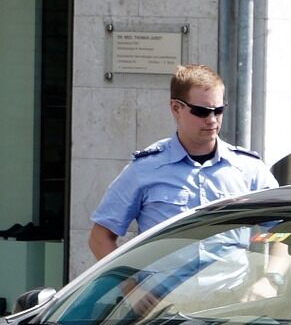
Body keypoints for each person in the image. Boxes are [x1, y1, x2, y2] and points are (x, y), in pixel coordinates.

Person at [88, 64, 276, 261]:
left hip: (230, 290)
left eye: (218, 110)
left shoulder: (248, 169)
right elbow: (100, 238)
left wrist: (271, 277)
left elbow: (284, 228)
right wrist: (132, 287)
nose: (212, 120)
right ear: (176, 108)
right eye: (202, 112)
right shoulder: (145, 169)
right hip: (165, 291)